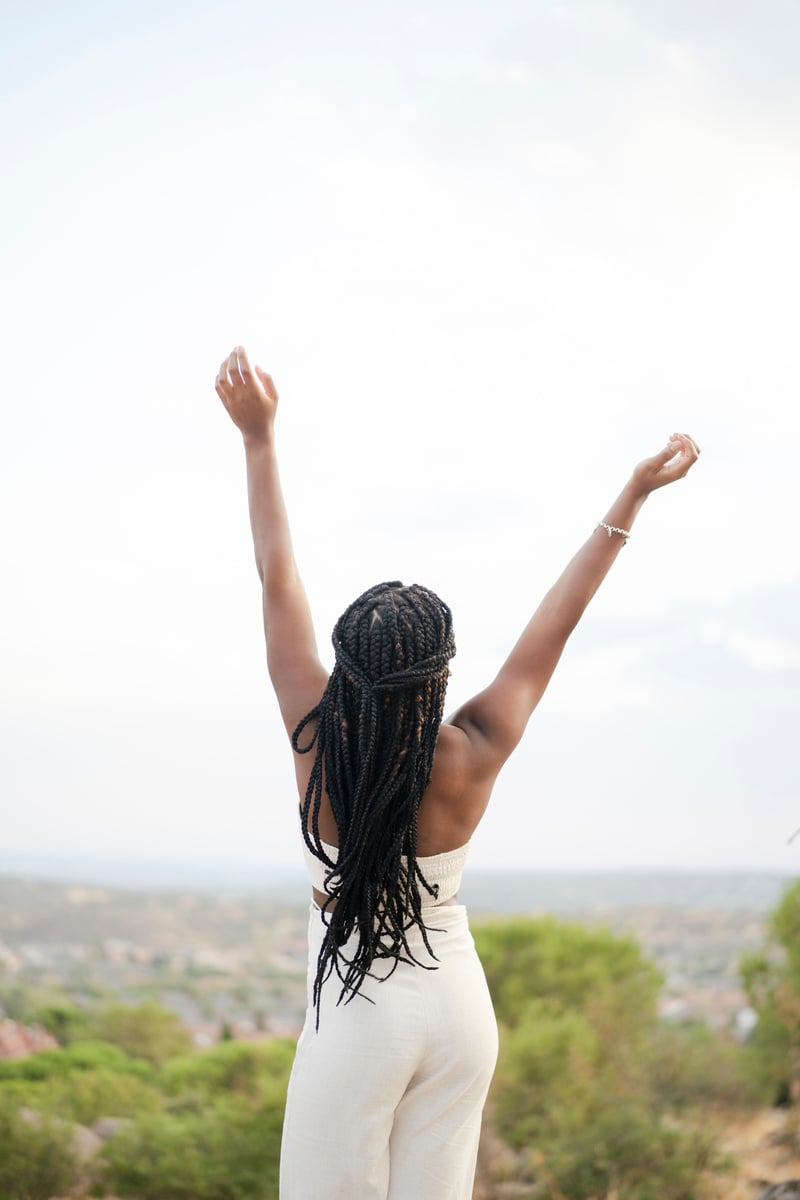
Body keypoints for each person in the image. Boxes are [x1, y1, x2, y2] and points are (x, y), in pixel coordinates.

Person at [214, 345, 700, 1200]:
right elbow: (562, 619)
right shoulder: (476, 745)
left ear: (346, 673)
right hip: (459, 1012)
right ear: (440, 674)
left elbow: (274, 575)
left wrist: (260, 440)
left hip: (361, 1015)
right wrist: (633, 495)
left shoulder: (318, 741)